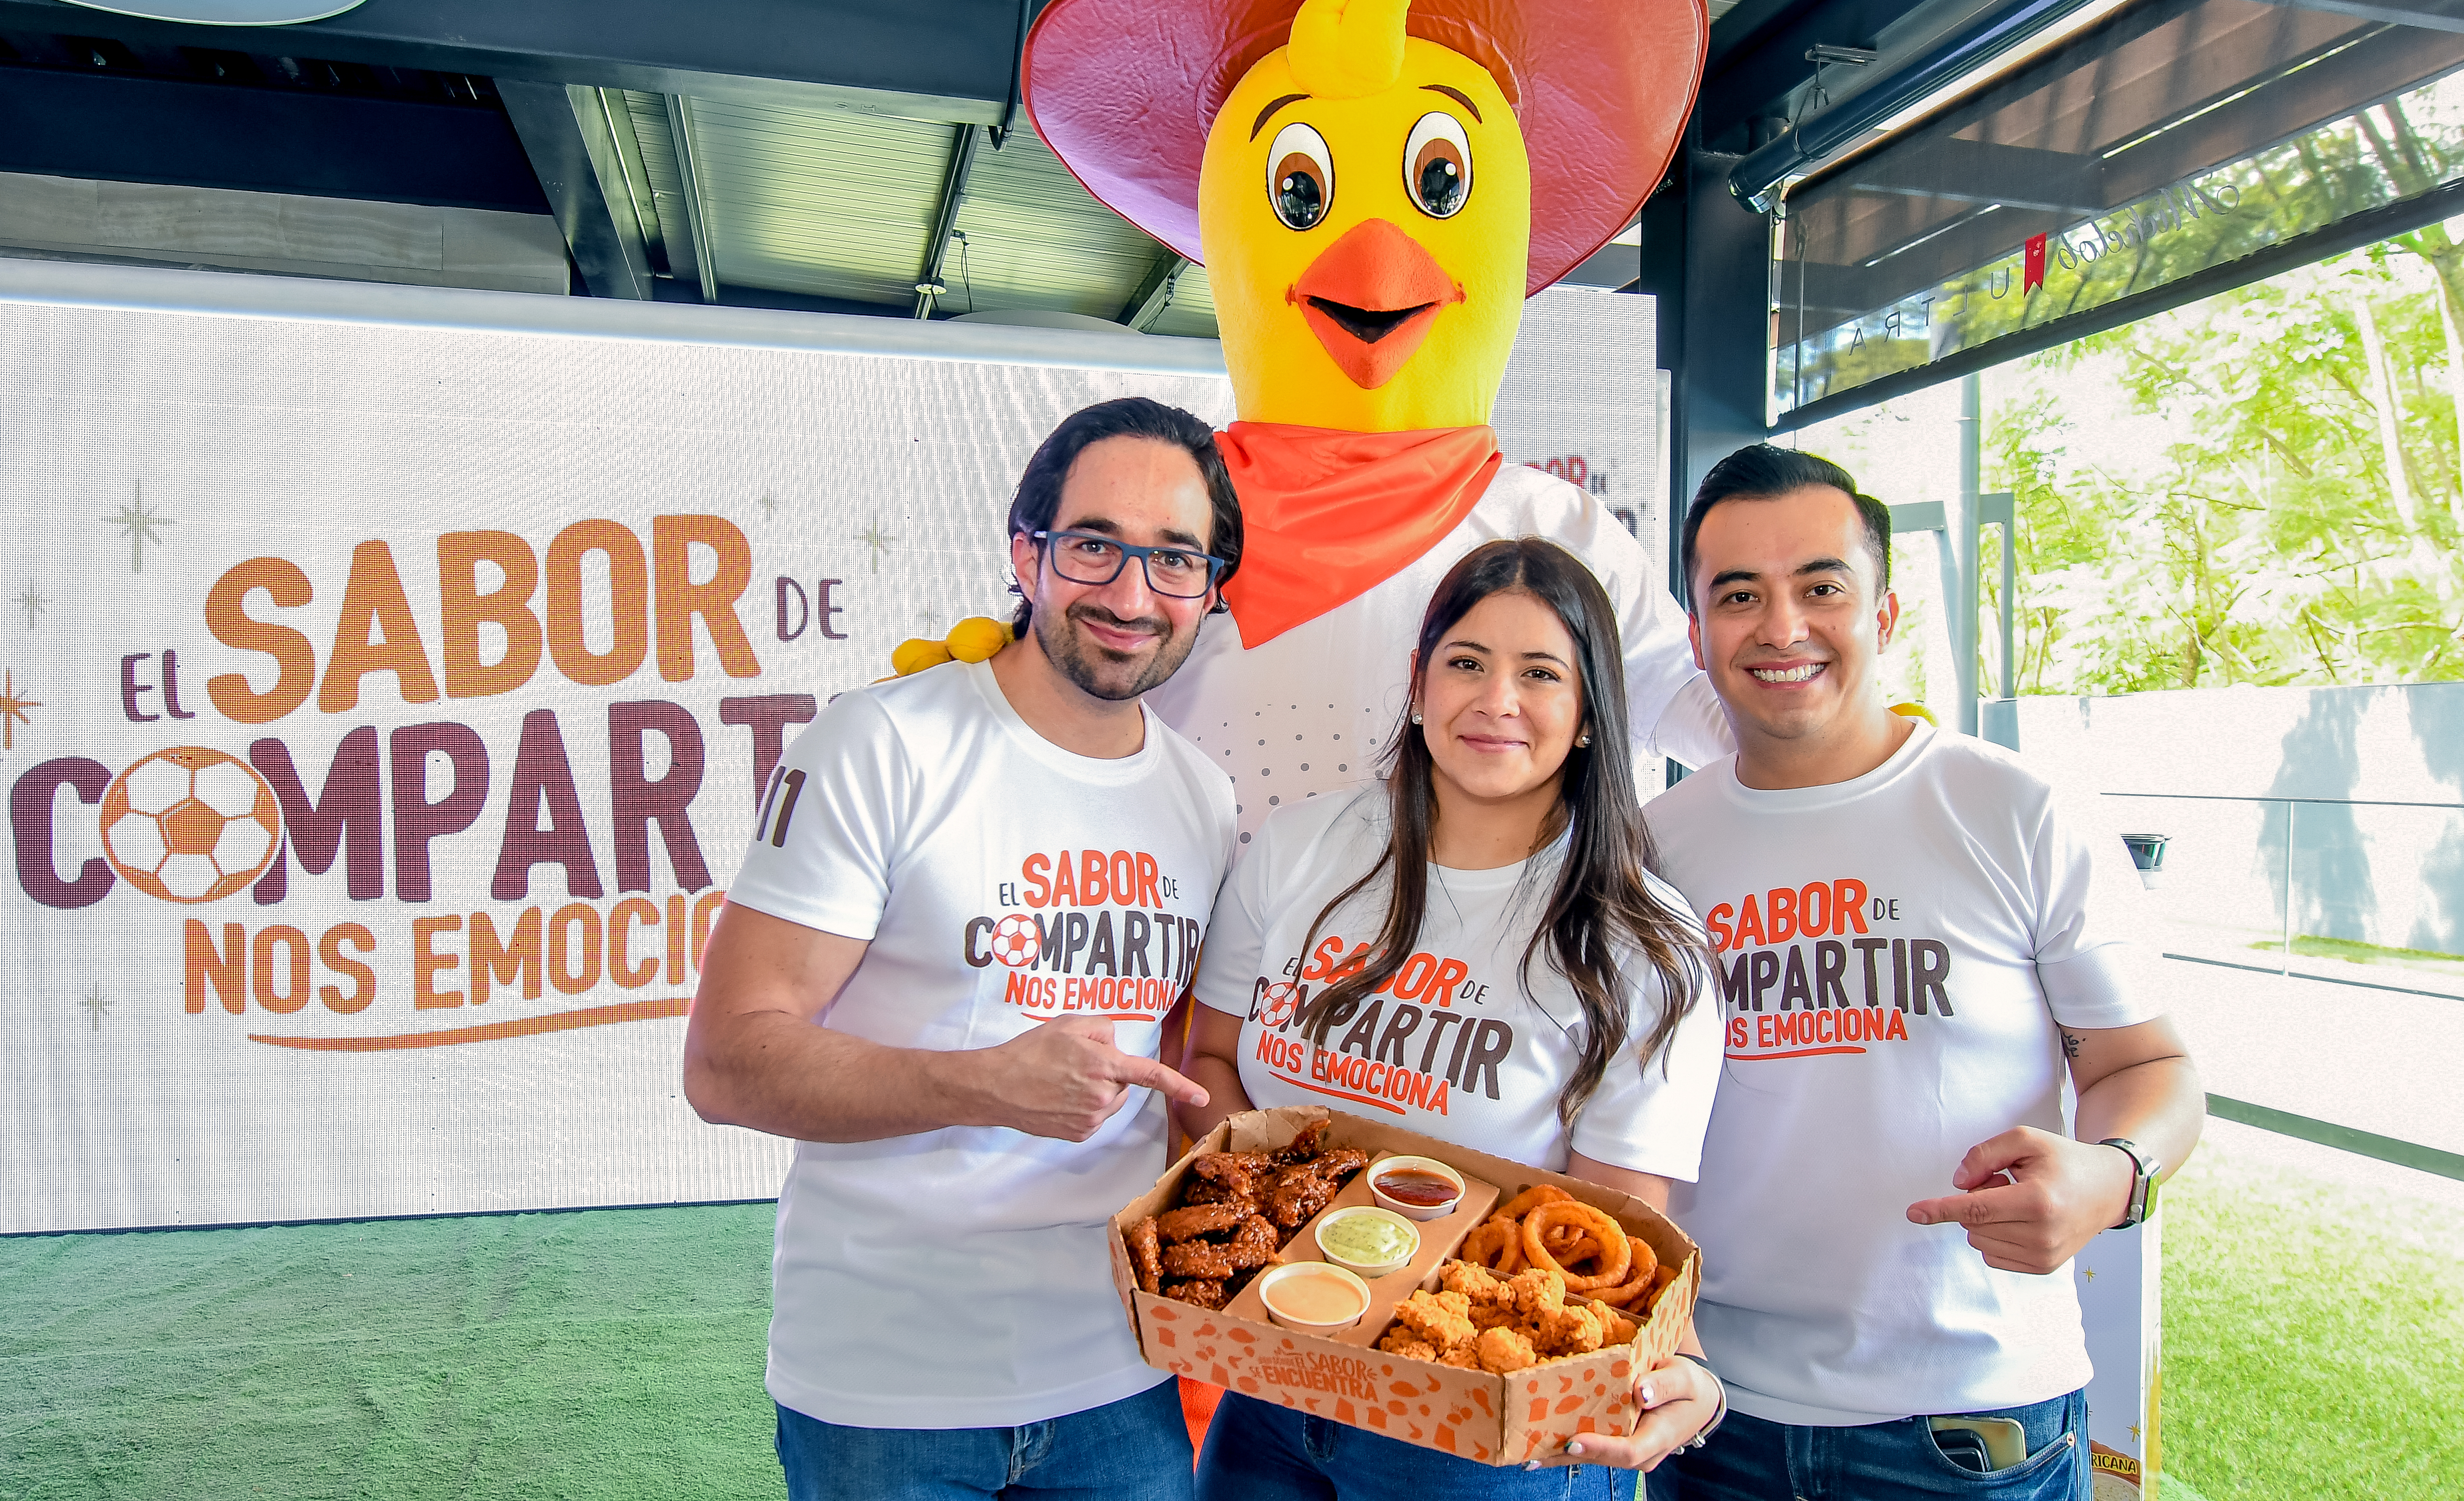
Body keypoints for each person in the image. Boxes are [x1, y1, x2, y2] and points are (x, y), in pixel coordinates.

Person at [683, 397, 1245, 1501]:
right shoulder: (882, 743)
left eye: (1176, 559)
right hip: (888, 1389)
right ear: (1024, 553)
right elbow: (726, 1063)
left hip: (1119, 1375)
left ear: (1212, 589)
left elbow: (1191, 1073)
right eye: (1095, 546)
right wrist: (982, 1085)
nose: (1134, 596)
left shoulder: (1204, 800)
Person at [1640, 444, 2204, 1501]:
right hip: (1711, 1416)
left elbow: (2153, 1064)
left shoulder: (2016, 810)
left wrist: (2115, 1176)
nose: (1782, 627)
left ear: (1885, 613)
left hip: (1967, 1427)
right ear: (1698, 635)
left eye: (1821, 588)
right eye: (1740, 596)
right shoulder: (1649, 849)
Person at [1181, 536, 1730, 1498]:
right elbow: (1215, 1060)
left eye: (1541, 674)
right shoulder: (1301, 849)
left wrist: (1690, 1373)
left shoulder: (1641, 943)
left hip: (1484, 1434)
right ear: (1418, 681)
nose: (1496, 700)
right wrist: (1283, 1228)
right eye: (1466, 663)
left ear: (1594, 714)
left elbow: (1606, 1238)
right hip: (1272, 1387)